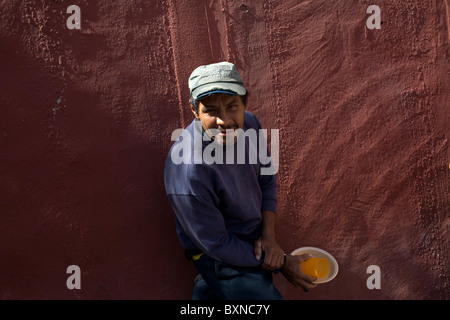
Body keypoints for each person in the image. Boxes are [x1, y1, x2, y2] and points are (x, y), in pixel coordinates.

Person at [164, 62, 316, 300]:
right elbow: (215, 242)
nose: (224, 121)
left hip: (253, 239)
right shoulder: (189, 169)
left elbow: (266, 180)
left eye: (232, 106)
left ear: (245, 102)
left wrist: (269, 236)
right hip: (216, 252)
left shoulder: (250, 124)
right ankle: (213, 278)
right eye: (211, 111)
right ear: (195, 112)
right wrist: (280, 262)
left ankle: (209, 288)